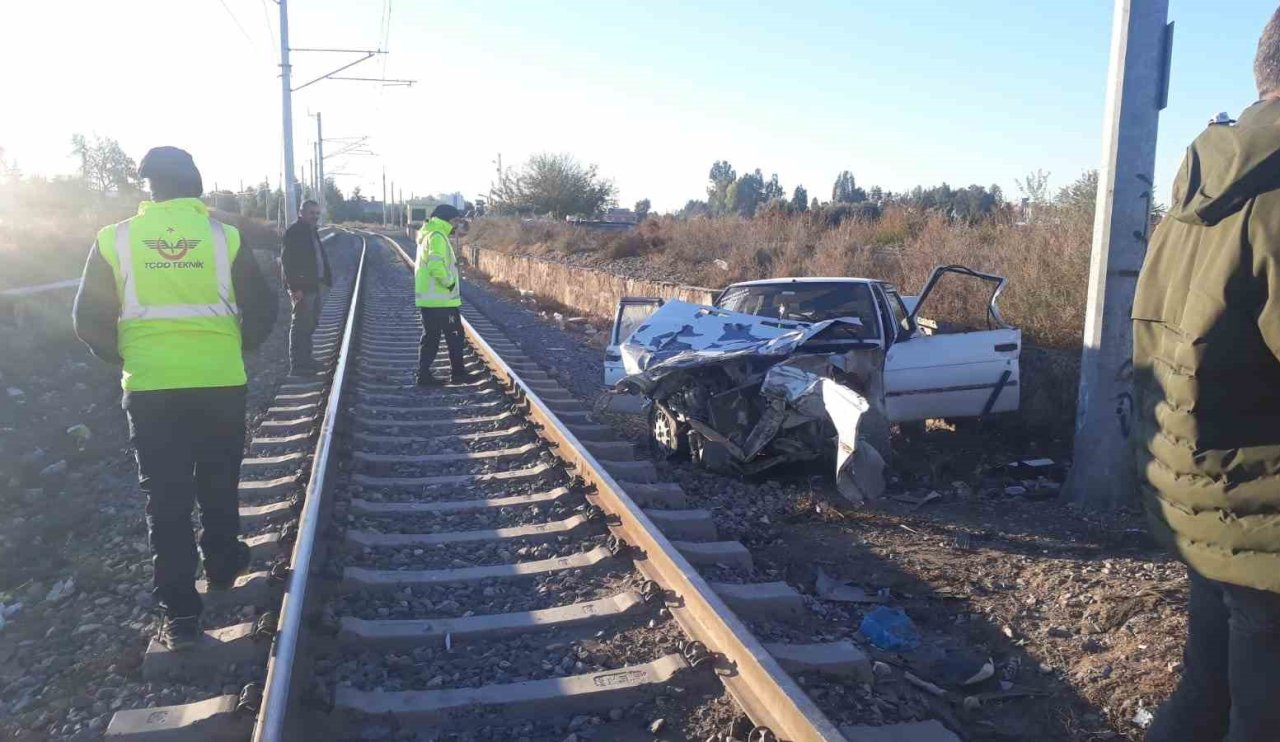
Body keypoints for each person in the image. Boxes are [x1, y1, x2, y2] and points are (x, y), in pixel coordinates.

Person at [1134, 9, 1280, 741]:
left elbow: (1149, 357)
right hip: (1270, 521)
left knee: (1205, 699)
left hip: (1205, 501)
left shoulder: (1200, 187)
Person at [73, 147, 277, 650]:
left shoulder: (115, 239)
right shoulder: (222, 237)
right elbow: (263, 308)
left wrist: (128, 360)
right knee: (218, 478)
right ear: (197, 187)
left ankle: (181, 615)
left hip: (150, 389)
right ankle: (225, 564)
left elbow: (87, 320)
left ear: (148, 188)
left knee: (165, 498)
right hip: (219, 381)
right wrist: (236, 345)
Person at [415, 204, 471, 385]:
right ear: (447, 219)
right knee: (455, 335)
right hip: (442, 300)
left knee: (431, 338)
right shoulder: (438, 236)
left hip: (431, 300)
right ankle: (458, 374)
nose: (456, 225)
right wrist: (450, 282)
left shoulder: (429, 234)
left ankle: (423, 376)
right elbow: (435, 266)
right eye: (455, 221)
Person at [281, 199, 331, 374]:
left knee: (310, 324)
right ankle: (298, 365)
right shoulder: (294, 232)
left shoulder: (311, 231)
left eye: (317, 214)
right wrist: (294, 288)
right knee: (301, 324)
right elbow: (287, 262)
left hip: (313, 284)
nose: (315, 217)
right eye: (312, 213)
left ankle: (306, 359)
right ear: (301, 213)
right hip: (302, 287)